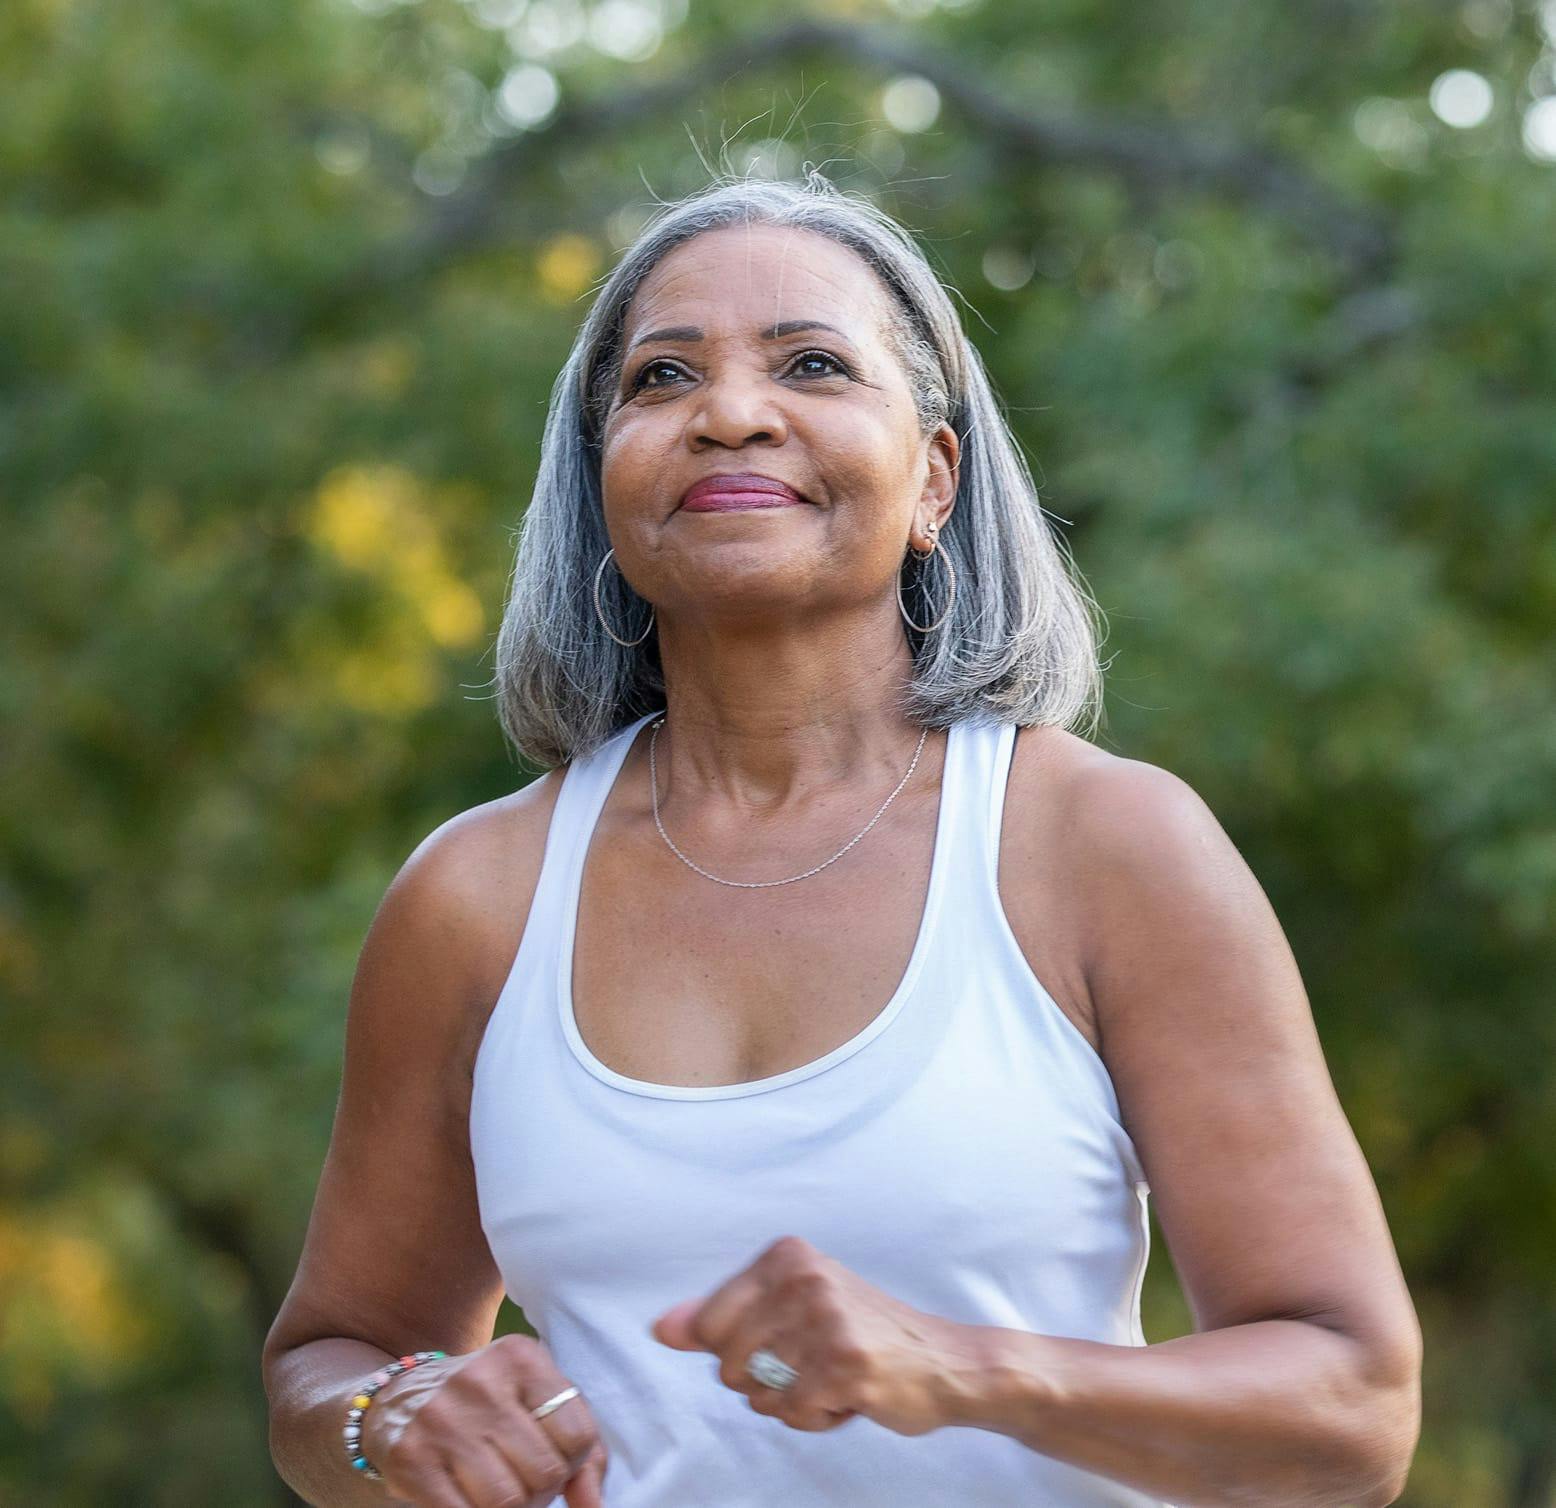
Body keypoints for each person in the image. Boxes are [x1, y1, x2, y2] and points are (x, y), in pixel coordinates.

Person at [262, 171, 1423, 1508]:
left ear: (934, 476)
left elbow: (1353, 1411)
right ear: (602, 482)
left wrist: (965, 1369)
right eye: (659, 381)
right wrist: (391, 1420)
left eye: (812, 364)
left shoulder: (1101, 846)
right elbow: (325, 1363)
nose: (731, 414)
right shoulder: (476, 898)